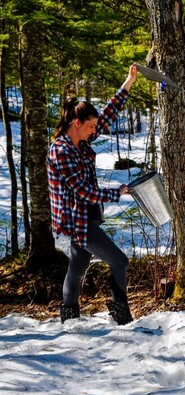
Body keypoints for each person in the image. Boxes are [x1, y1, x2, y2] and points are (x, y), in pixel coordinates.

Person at [48, 64, 138, 325]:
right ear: (77, 123)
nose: (94, 131)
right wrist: (116, 193)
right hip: (75, 222)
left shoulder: (81, 139)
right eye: (90, 127)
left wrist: (128, 81)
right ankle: (122, 317)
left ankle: (69, 318)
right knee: (119, 261)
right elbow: (83, 191)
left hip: (85, 217)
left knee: (77, 266)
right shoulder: (61, 151)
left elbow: (108, 115)